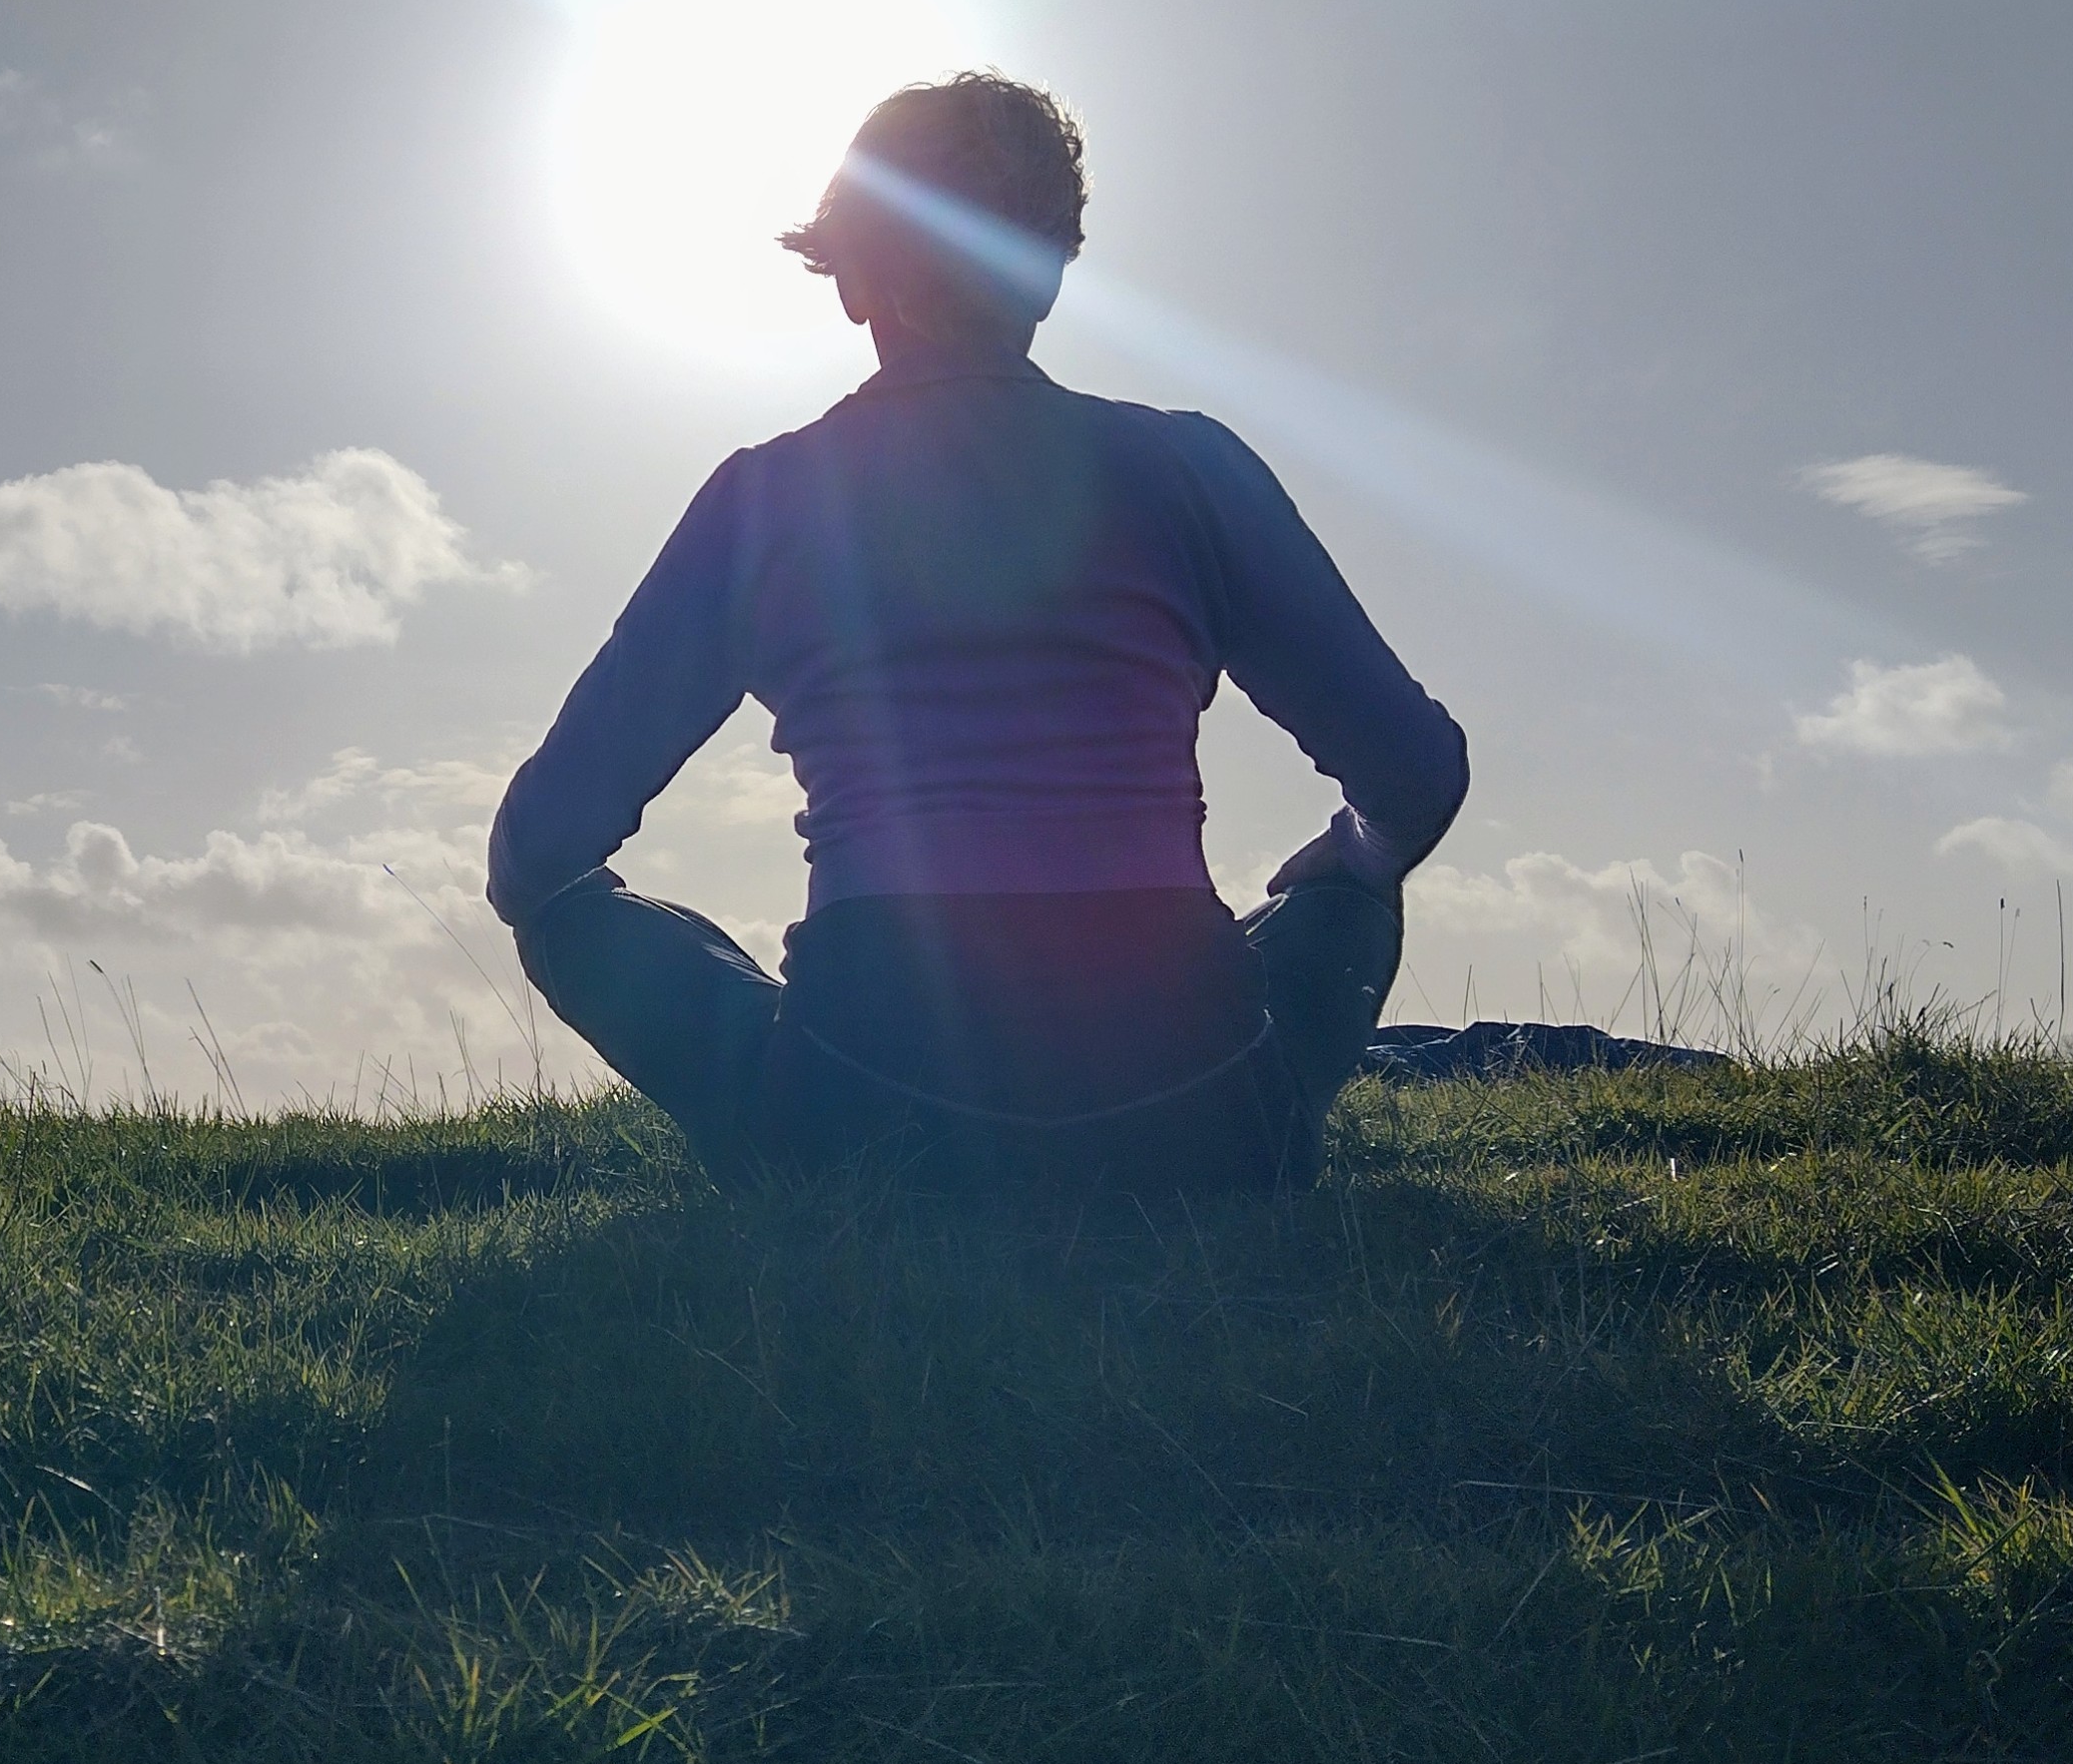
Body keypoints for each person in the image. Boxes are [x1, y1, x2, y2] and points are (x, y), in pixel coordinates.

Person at [486, 72, 1467, 1190]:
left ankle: (797, 1129)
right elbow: (1416, 774)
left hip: (866, 1112)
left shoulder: (765, 502)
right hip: (1192, 1118)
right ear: (1047, 274)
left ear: (851, 279)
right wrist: (1344, 859)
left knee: (566, 918)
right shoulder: (1191, 470)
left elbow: (538, 856)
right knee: (1348, 895)